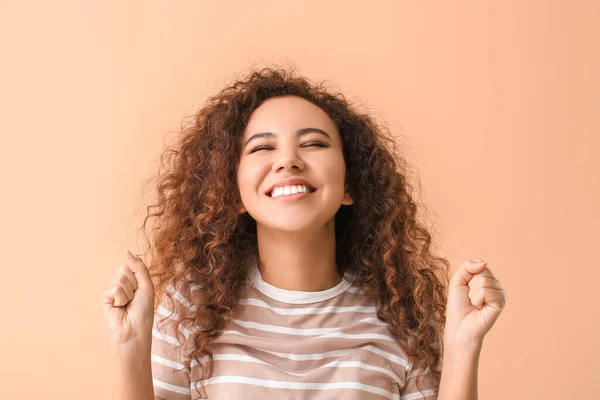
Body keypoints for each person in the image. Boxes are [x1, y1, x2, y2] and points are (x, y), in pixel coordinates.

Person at [102, 67, 506, 400]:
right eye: (262, 148)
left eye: (313, 143)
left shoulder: (404, 315)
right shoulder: (190, 307)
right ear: (235, 192)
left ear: (350, 184)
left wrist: (461, 345)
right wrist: (131, 350)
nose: (288, 161)